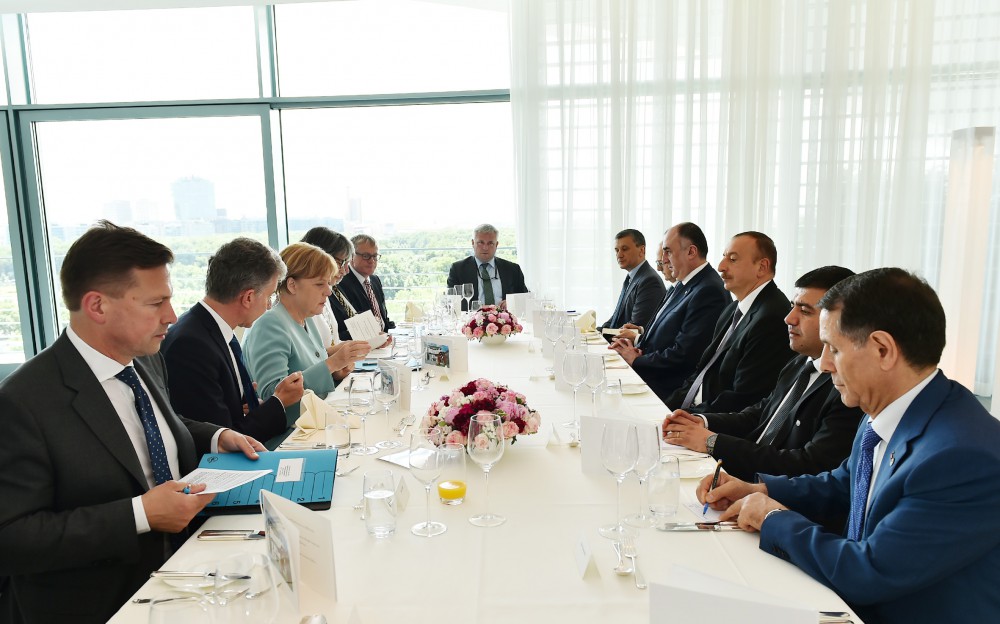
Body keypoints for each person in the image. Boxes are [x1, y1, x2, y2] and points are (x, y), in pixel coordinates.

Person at [698, 268, 1000, 624]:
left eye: (834, 349)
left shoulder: (963, 457)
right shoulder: (886, 408)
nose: (824, 366)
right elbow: (847, 483)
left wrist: (772, 516)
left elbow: (869, 571)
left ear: (883, 350)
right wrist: (758, 488)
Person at [0, 221, 265, 623]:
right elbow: (12, 538)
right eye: (155, 303)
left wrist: (218, 436)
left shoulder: (145, 357)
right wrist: (140, 514)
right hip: (102, 601)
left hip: (187, 570)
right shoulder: (24, 401)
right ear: (97, 306)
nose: (172, 316)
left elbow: (156, 426)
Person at [662, 266, 863, 481]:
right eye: (792, 307)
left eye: (804, 311)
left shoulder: (845, 387)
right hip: (741, 475)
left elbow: (808, 464)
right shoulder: (798, 362)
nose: (789, 318)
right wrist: (702, 422)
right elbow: (760, 413)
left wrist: (712, 442)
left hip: (770, 490)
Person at [162, 238, 305, 446]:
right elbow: (222, 439)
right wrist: (278, 402)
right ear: (248, 297)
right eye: (268, 296)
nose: (268, 306)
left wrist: (244, 403)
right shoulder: (191, 345)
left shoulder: (212, 327)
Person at [243, 242, 371, 441]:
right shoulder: (269, 325)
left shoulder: (307, 319)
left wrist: (337, 371)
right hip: (287, 438)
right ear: (292, 285)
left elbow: (309, 368)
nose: (329, 291)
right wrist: (332, 364)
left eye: (329, 283)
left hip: (313, 427)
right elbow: (272, 397)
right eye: (320, 284)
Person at [663, 231, 794, 413]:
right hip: (692, 407)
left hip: (714, 422)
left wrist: (688, 417)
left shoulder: (771, 318)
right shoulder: (732, 309)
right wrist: (665, 409)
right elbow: (702, 372)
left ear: (762, 267)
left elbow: (743, 398)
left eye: (732, 259)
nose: (720, 267)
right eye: (724, 257)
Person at [609, 223, 730, 402]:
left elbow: (684, 356)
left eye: (668, 251)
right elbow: (668, 333)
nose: (663, 259)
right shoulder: (683, 283)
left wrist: (636, 360)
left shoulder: (708, 290)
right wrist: (639, 339)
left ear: (691, 252)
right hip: (653, 373)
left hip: (668, 389)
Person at [601, 228, 667, 336]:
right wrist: (597, 331)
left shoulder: (649, 280)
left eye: (625, 249)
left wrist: (603, 334)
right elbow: (616, 317)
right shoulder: (631, 277)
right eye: (617, 250)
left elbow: (635, 327)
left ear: (642, 250)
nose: (619, 255)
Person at [447, 223, 528, 309]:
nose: (485, 247)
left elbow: (526, 298)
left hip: (505, 320)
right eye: (480, 243)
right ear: (473, 243)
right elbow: (452, 303)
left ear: (496, 245)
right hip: (471, 320)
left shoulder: (513, 269)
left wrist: (512, 303)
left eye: (490, 243)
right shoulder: (458, 269)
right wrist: (479, 308)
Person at [300, 227, 355, 345]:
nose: (346, 271)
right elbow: (312, 356)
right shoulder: (301, 299)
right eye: (341, 262)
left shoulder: (326, 291)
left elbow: (332, 341)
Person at [338, 234, 396, 333]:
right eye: (366, 256)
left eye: (375, 256)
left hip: (384, 343)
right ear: (351, 256)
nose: (372, 261)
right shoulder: (341, 284)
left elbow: (383, 319)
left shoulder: (375, 280)